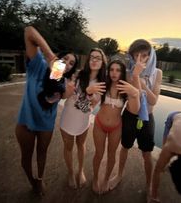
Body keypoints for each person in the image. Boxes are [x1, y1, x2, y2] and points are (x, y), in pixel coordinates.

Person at [15, 26, 78, 195]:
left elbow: (64, 97)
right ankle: (32, 181)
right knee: (26, 157)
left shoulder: (64, 82)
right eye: (65, 59)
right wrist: (50, 56)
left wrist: (70, 93)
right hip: (26, 120)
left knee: (42, 154)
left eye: (71, 63)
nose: (67, 64)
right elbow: (28, 31)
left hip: (46, 124)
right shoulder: (39, 64)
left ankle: (40, 179)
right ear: (58, 58)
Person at [110, 39, 162, 192]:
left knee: (147, 153)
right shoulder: (127, 73)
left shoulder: (157, 73)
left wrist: (139, 78)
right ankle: (119, 175)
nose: (140, 59)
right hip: (130, 116)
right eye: (136, 55)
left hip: (147, 118)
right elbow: (136, 99)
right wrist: (134, 75)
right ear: (132, 56)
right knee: (125, 147)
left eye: (144, 55)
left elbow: (153, 100)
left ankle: (148, 185)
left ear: (150, 55)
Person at [60, 48, 107, 189]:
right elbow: (65, 96)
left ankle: (80, 171)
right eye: (92, 57)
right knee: (68, 147)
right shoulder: (78, 74)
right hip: (68, 116)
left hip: (83, 120)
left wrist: (88, 94)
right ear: (88, 60)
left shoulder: (102, 83)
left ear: (102, 62)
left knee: (81, 145)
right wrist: (85, 93)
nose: (94, 60)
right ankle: (70, 172)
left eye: (98, 58)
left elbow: (89, 108)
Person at [92, 60, 140, 194]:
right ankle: (95, 178)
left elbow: (135, 110)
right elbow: (92, 102)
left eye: (118, 70)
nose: (114, 73)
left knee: (112, 154)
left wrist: (135, 94)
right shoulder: (103, 85)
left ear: (122, 72)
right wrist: (89, 93)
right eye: (112, 69)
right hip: (99, 124)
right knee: (99, 153)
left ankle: (106, 179)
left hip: (116, 127)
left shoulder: (125, 89)